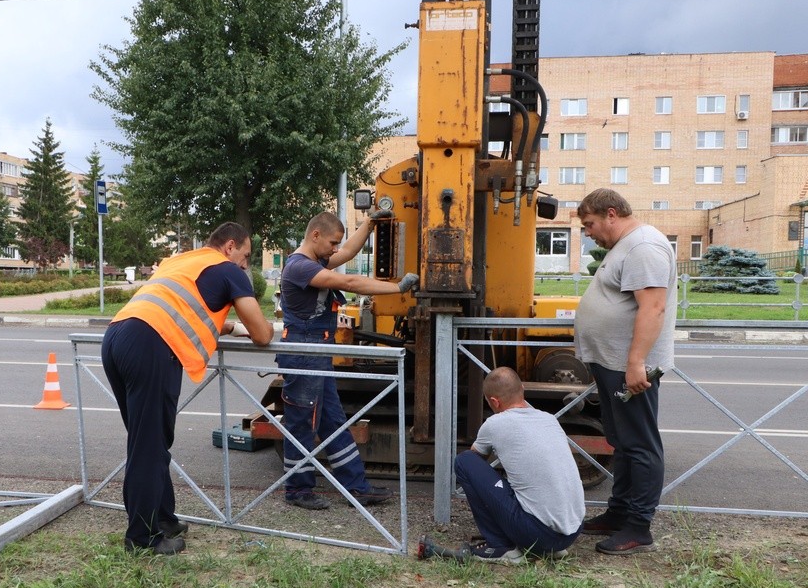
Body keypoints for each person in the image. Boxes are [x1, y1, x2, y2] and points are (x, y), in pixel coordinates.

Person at [102, 222, 274, 555]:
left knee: (146, 441)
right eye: (246, 255)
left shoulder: (180, 261)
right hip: (152, 343)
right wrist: (249, 327)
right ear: (229, 247)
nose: (245, 264)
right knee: (149, 446)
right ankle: (141, 538)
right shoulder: (228, 270)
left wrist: (230, 327)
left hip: (118, 336)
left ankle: (163, 518)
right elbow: (263, 334)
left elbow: (184, 307)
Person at [277, 211, 419, 510]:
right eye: (332, 242)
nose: (335, 248)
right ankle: (297, 489)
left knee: (333, 420)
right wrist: (398, 288)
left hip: (317, 350)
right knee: (304, 420)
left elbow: (350, 251)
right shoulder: (300, 267)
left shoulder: (316, 260)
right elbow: (352, 282)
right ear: (315, 235)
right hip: (304, 351)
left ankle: (356, 487)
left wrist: (369, 222)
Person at [574, 188, 676, 555]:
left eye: (590, 225)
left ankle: (638, 526)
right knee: (623, 444)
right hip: (614, 363)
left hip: (629, 367)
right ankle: (618, 514)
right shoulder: (626, 246)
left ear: (611, 214)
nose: (588, 233)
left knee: (640, 446)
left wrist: (636, 362)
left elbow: (653, 308)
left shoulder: (643, 247)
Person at [420, 367, 585, 565]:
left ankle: (500, 546)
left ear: (494, 402)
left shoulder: (494, 424)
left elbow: (474, 462)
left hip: (538, 533)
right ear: (522, 389)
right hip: (572, 532)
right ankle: (548, 548)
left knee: (464, 462)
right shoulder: (549, 419)